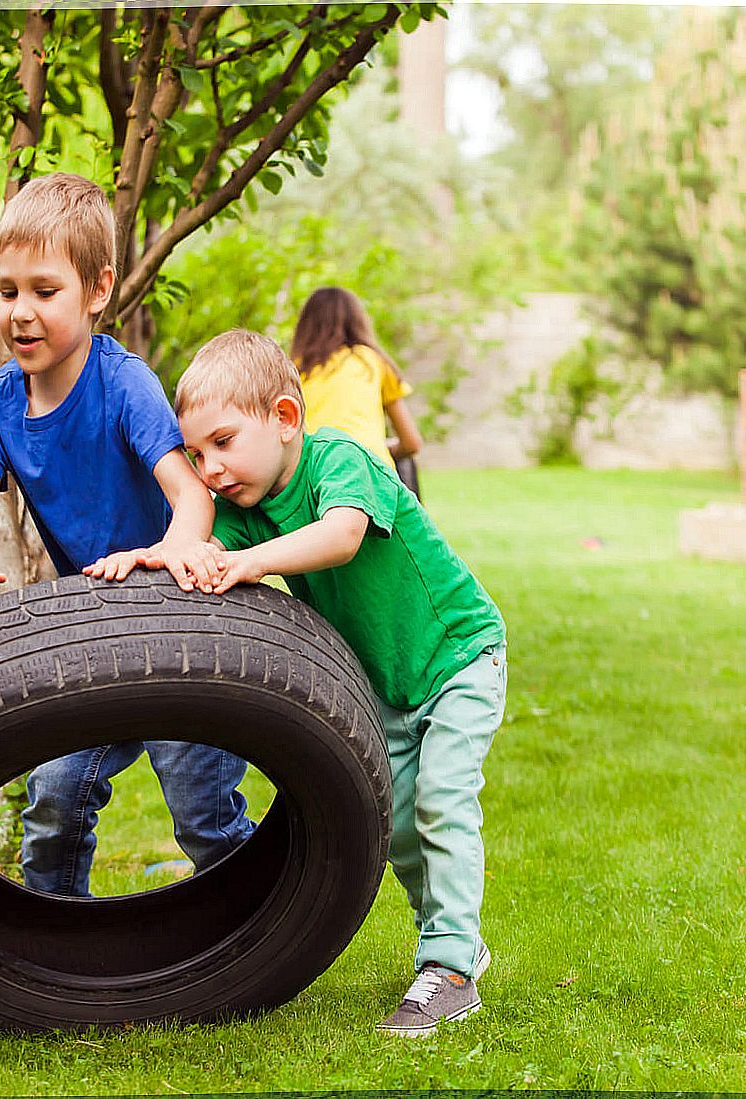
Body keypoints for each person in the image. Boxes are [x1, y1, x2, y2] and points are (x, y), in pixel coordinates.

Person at [169, 329, 508, 1037]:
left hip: (457, 656)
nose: (212, 467)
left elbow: (343, 534)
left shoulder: (340, 458)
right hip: (383, 686)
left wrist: (250, 561)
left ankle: (447, 971)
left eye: (225, 441)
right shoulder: (246, 508)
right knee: (397, 828)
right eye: (198, 454)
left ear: (286, 419)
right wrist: (170, 556)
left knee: (442, 798)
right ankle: (452, 939)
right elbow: (201, 553)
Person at [0, 173, 255, 898]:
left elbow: (189, 493)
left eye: (45, 291)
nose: (21, 311)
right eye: (7, 290)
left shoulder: (124, 383)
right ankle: (56, 942)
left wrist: (174, 548)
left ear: (97, 289)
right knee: (55, 796)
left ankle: (255, 918)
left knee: (201, 814)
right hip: (100, 627)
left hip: (180, 617)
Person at [290, 287, 424, 496]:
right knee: (405, 465)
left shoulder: (295, 370)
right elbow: (411, 442)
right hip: (372, 471)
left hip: (314, 474)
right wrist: (381, 447)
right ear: (357, 321)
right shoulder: (371, 361)